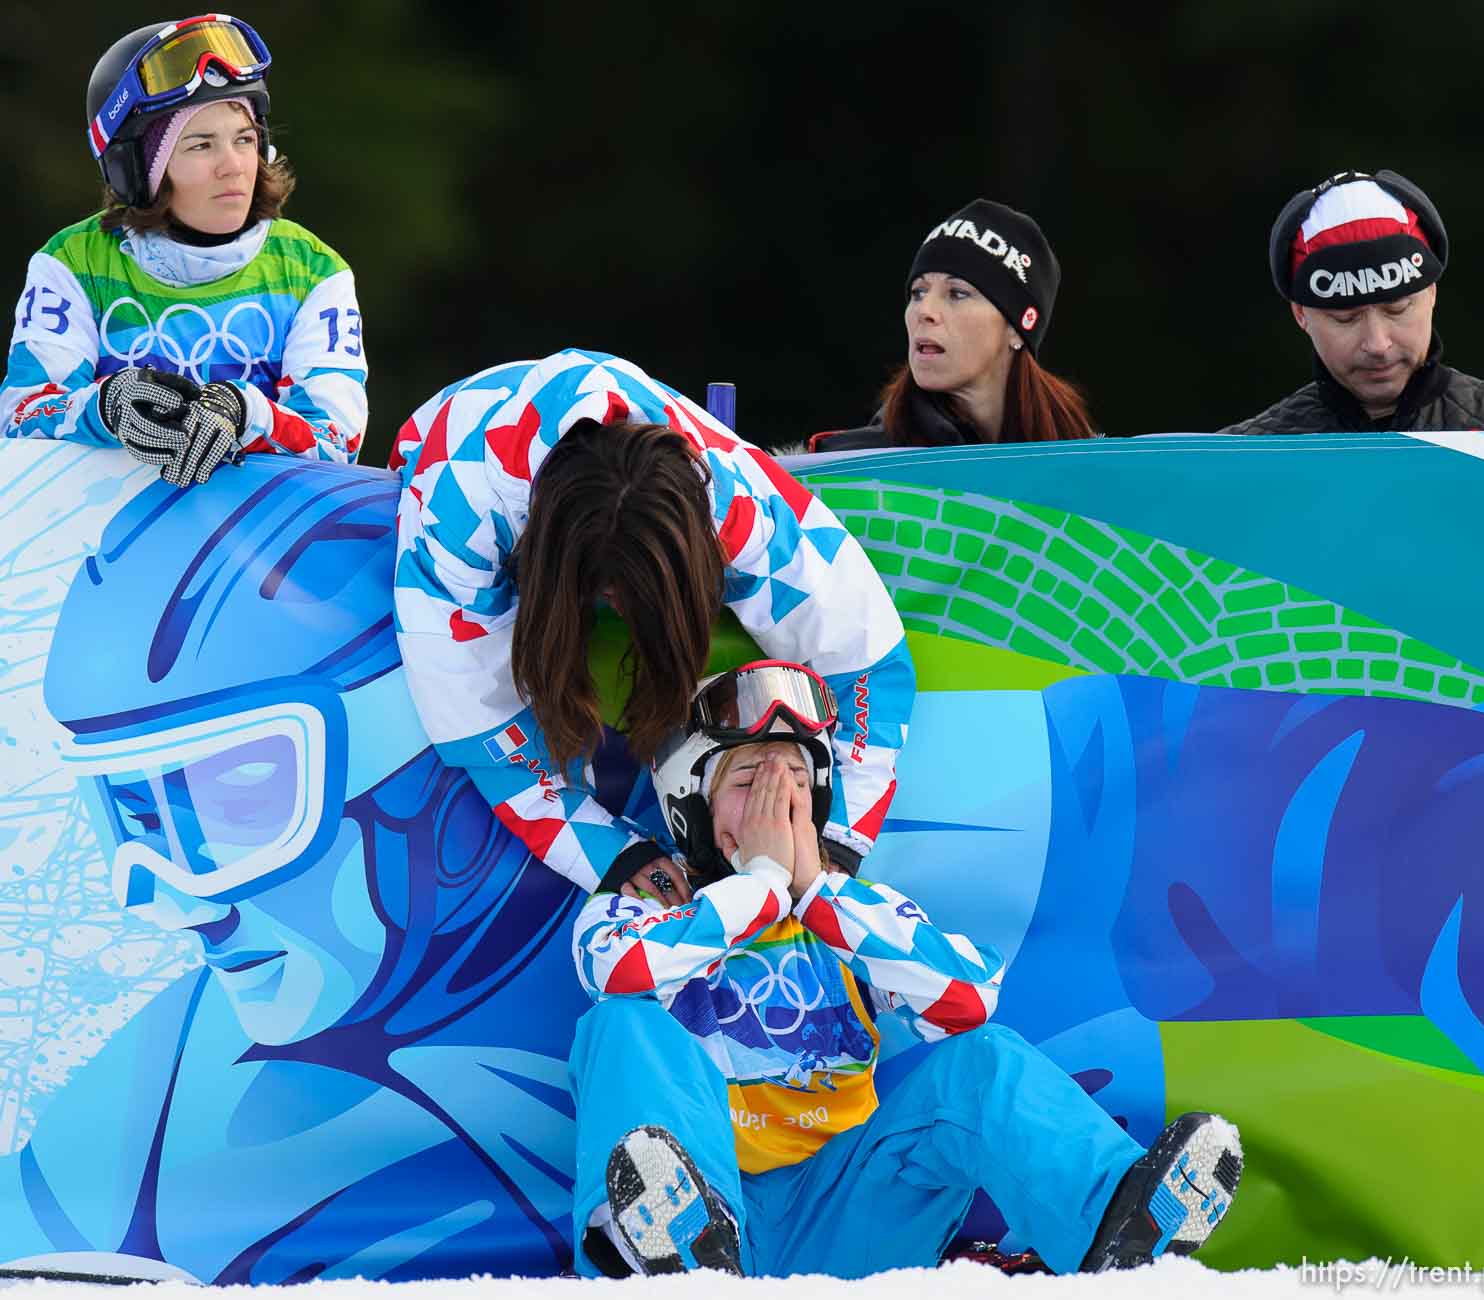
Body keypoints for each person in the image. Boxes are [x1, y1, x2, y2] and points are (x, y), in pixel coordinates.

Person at [5, 458, 589, 1280]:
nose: (168, 898)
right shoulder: (184, 1059)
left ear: (436, 770)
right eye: (132, 812)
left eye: (237, 793)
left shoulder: (610, 1024)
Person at [567, 661, 1243, 1278]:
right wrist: (762, 881)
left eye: (797, 785)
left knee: (981, 1061)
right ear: (691, 807)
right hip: (699, 1210)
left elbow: (969, 997)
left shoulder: (847, 909)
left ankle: (1117, 1239)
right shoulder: (641, 906)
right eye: (750, 783)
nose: (781, 808)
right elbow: (615, 971)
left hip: (846, 1216)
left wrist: (810, 893)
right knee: (623, 1024)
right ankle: (669, 1260)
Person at [389, 349, 915, 908]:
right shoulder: (454, 523)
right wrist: (611, 853)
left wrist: (836, 842)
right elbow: (478, 729)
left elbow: (867, 656)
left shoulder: (737, 501)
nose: (618, 608)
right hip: (456, 461)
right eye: (606, 593)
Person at [0, 15, 367, 485]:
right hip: (97, 534)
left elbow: (336, 443)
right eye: (200, 146)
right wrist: (106, 406)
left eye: (244, 140)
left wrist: (241, 412)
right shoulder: (73, 263)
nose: (233, 167)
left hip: (253, 545)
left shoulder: (313, 272)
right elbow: (22, 418)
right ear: (137, 168)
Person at [1219, 169, 1484, 435]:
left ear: (1432, 294)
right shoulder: (1242, 462)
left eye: (1397, 309)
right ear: (1301, 315)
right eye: (1346, 318)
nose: (1377, 344)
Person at [810, 198, 1096, 453]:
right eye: (918, 292)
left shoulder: (1085, 470)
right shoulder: (845, 476)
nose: (924, 310)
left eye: (957, 293)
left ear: (1016, 328)